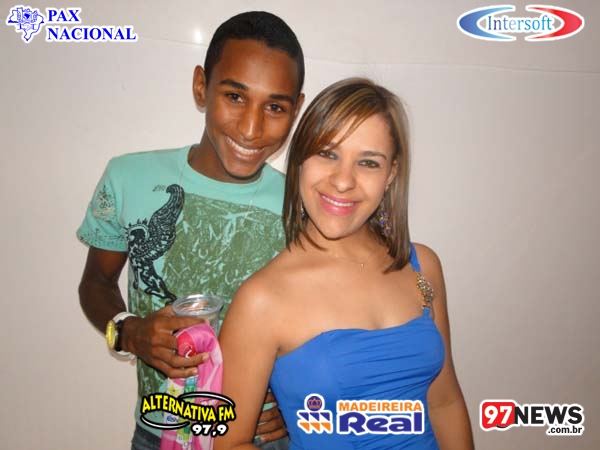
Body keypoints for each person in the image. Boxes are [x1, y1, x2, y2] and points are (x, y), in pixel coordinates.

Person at [77, 11, 305, 450]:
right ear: (201, 86)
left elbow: (326, 317)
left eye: (275, 107)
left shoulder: (304, 205)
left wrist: (297, 395)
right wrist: (129, 331)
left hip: (262, 438)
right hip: (158, 430)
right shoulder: (128, 178)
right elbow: (96, 282)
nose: (251, 128)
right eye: (235, 96)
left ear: (295, 110)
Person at [216, 78, 474, 450]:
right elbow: (228, 444)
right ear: (300, 160)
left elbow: (444, 401)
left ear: (391, 174)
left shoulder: (422, 266)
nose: (343, 181)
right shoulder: (262, 299)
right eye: (327, 153)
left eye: (368, 162)